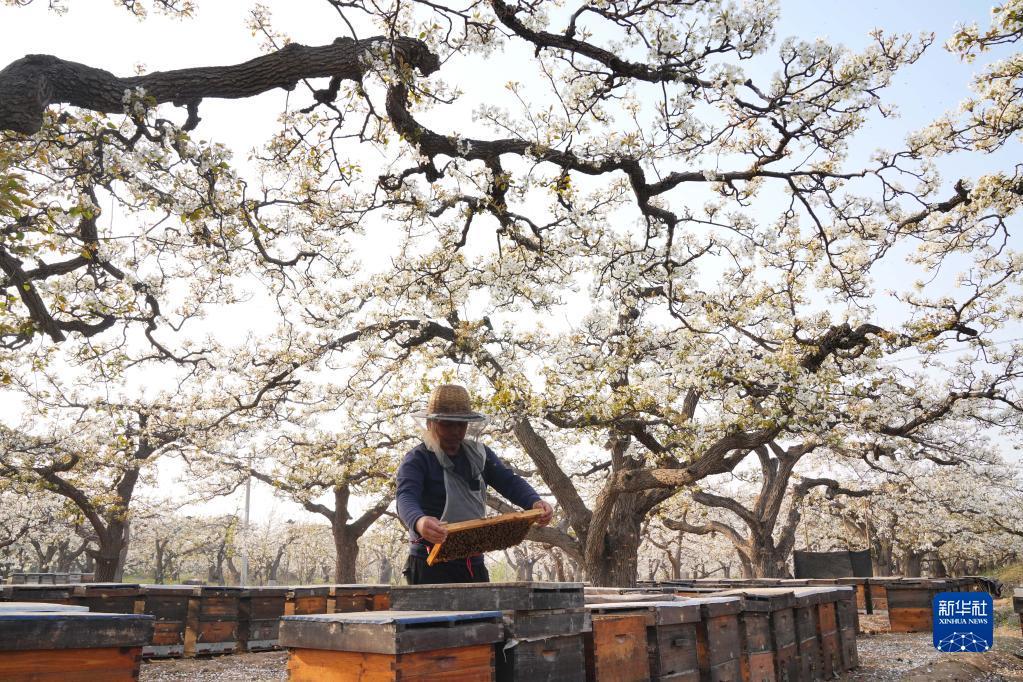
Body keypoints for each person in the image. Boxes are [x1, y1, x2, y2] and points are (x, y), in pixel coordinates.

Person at [396, 383, 554, 584]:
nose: (455, 431)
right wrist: (419, 521)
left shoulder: (480, 455)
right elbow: (405, 497)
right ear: (431, 424)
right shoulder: (417, 459)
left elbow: (509, 481)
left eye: (461, 424)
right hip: (429, 564)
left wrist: (534, 502)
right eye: (447, 424)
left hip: (473, 563)